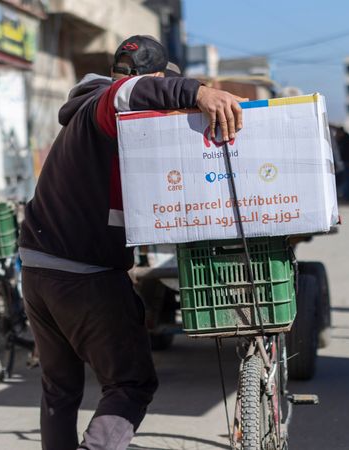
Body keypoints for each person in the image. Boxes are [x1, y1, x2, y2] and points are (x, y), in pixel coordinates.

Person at [18, 35, 244, 450]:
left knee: (60, 387)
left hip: (37, 267)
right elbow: (128, 92)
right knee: (131, 382)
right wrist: (199, 92)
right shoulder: (104, 104)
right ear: (153, 77)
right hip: (83, 272)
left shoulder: (87, 117)